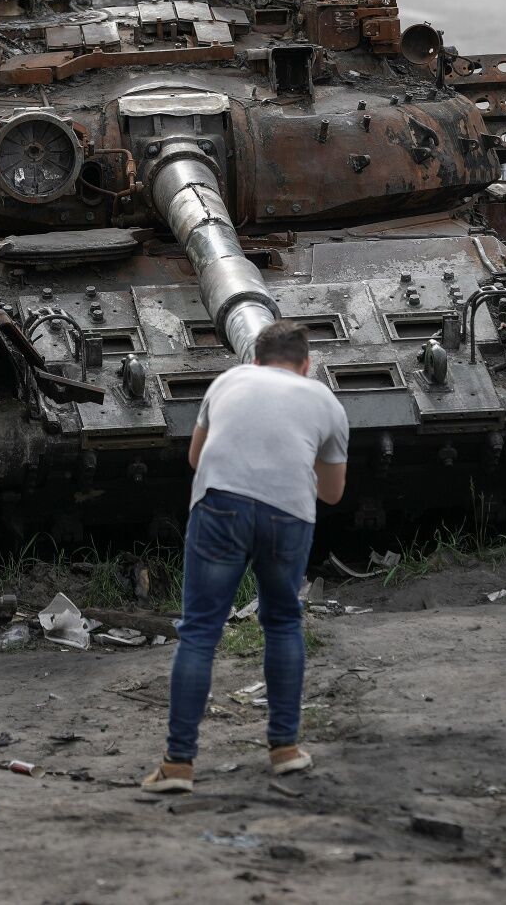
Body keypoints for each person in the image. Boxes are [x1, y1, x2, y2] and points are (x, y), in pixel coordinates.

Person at [142, 320, 349, 794]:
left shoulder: (227, 382)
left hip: (220, 506)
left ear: (254, 360)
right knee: (282, 622)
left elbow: (196, 458)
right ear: (306, 364)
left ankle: (178, 767)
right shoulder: (325, 401)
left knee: (198, 632)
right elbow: (334, 494)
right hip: (288, 516)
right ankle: (284, 751)